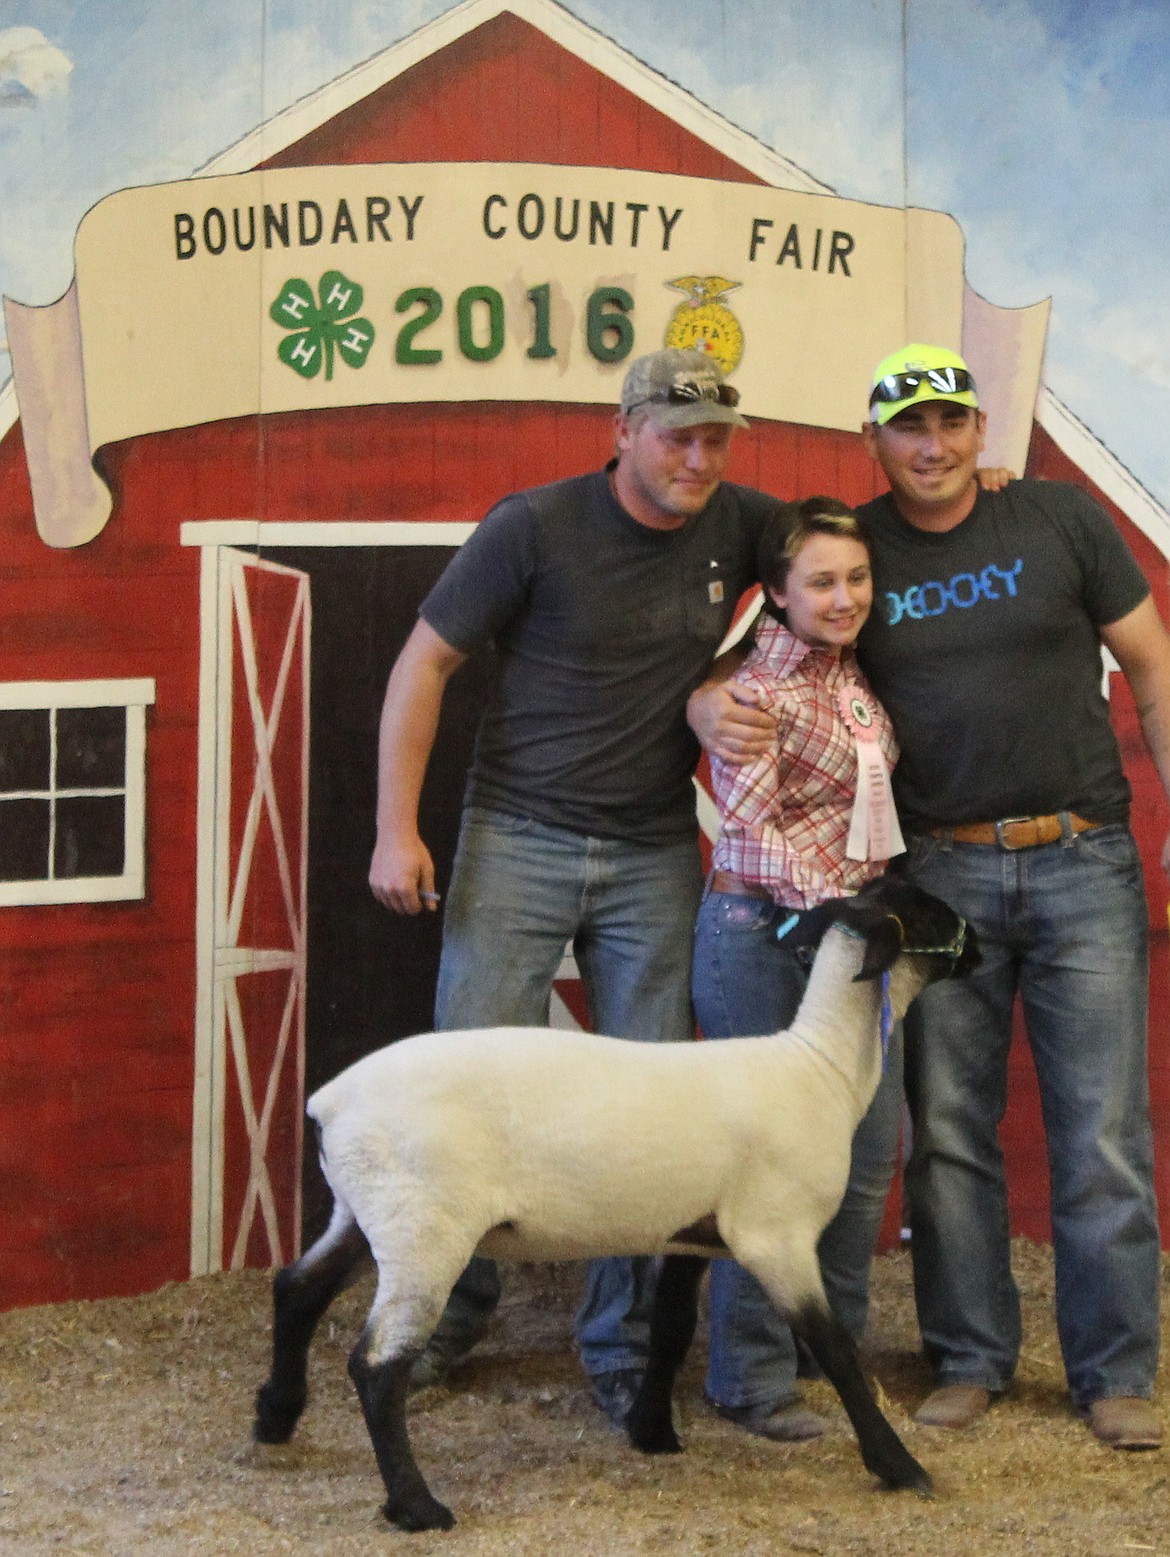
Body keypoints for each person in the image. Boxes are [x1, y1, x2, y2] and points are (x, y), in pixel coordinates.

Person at [693, 342, 1170, 1450]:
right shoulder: (853, 553)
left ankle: (1116, 1375)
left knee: (1102, 1131)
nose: (934, 443)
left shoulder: (1057, 521)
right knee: (949, 1130)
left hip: (1081, 854)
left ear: (978, 432)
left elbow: (1151, 665)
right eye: (909, 425)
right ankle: (969, 1360)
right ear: (876, 442)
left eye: (951, 421)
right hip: (939, 870)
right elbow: (737, 671)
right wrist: (699, 712)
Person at [368, 346, 785, 1427]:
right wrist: (395, 831)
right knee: (464, 1094)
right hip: (517, 836)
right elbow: (424, 663)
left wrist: (977, 504)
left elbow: (849, 556)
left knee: (645, 1116)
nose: (697, 458)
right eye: (676, 435)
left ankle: (622, 1345)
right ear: (624, 429)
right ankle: (440, 1324)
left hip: (653, 850)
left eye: (714, 439)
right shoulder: (536, 526)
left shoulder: (740, 522)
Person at [693, 496, 907, 1442]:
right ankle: (750, 1376)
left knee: (862, 1156)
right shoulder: (754, 693)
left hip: (848, 941)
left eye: (856, 578)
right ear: (776, 594)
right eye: (821, 581)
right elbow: (747, 832)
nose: (844, 595)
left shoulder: (855, 680)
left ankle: (836, 1357)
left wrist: (856, 922)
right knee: (765, 1168)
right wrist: (842, 914)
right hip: (762, 932)